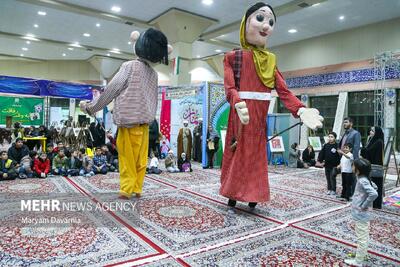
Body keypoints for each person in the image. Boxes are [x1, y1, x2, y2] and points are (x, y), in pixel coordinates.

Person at [220, 2, 323, 209]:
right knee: (238, 156)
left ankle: (253, 196)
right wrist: (237, 102)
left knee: (257, 159)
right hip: (240, 117)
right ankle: (233, 193)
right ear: (245, 22)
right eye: (260, 18)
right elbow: (229, 88)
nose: (266, 26)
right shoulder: (233, 57)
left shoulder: (271, 61)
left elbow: (283, 91)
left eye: (270, 22)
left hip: (258, 121)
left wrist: (300, 109)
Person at [80, 28, 172, 199]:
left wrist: (91, 107)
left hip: (127, 124)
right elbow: (154, 100)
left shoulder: (129, 66)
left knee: (127, 158)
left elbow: (111, 91)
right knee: (140, 159)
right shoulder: (153, 74)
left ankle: (127, 188)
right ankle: (137, 187)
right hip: (145, 125)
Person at [344, 158, 378, 267]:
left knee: (361, 237)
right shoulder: (363, 178)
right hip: (362, 214)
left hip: (361, 214)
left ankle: (358, 261)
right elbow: (375, 187)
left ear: (358, 169)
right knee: (363, 235)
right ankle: (362, 254)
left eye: (353, 166)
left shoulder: (363, 180)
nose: (352, 167)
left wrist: (363, 205)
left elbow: (374, 193)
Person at [360, 126, 384, 209]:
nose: (370, 132)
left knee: (376, 185)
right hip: (372, 166)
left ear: (377, 133)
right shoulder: (373, 141)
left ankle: (377, 204)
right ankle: (373, 203)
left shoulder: (378, 142)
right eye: (370, 130)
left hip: (376, 167)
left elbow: (368, 152)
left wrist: (364, 149)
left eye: (372, 131)